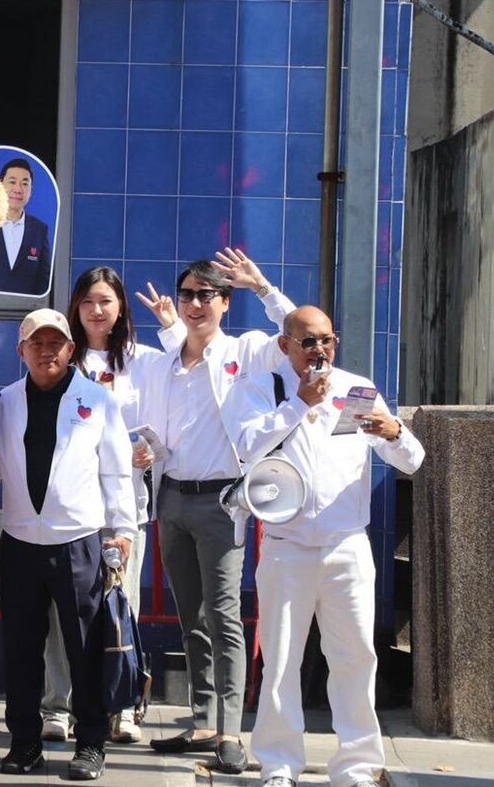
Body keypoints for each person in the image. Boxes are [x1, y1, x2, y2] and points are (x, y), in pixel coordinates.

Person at [223, 306, 424, 787]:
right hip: (287, 546)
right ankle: (278, 765)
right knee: (281, 660)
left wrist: (396, 434)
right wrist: (298, 403)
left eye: (327, 340)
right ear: (285, 345)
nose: (320, 351)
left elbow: (412, 460)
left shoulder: (356, 388)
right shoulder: (257, 389)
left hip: (346, 545)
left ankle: (357, 767)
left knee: (355, 657)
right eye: (309, 341)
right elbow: (246, 446)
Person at [129, 249, 296, 774]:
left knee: (224, 616)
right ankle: (202, 722)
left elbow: (297, 335)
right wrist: (148, 451)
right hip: (173, 498)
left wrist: (263, 288)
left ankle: (230, 731)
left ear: (225, 302)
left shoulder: (244, 351)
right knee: (192, 618)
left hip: (222, 501)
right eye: (188, 295)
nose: (195, 304)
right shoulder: (167, 363)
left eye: (206, 295)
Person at [39, 268, 182, 745]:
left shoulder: (145, 361)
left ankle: (121, 707)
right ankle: (58, 705)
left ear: (120, 306)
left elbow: (181, 403)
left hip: (124, 509)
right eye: (87, 302)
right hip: (70, 508)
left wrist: (151, 452)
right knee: (64, 609)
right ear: (75, 309)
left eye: (105, 301)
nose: (96, 310)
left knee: (121, 605)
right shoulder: (64, 358)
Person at [0, 309, 136, 781]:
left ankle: (91, 742)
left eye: (55, 343)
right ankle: (24, 742)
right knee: (21, 649)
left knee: (85, 648)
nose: (46, 351)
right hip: (19, 540)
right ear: (21, 350)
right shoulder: (4, 401)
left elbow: (116, 469)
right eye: (36, 343)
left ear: (71, 349)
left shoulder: (97, 400)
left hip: (78, 541)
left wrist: (123, 529)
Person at [0, 159, 53, 296]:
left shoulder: (40, 230)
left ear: (31, 190)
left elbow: (44, 279)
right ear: (0, 185)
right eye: (12, 182)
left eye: (24, 183)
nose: (18, 189)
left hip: (26, 307)